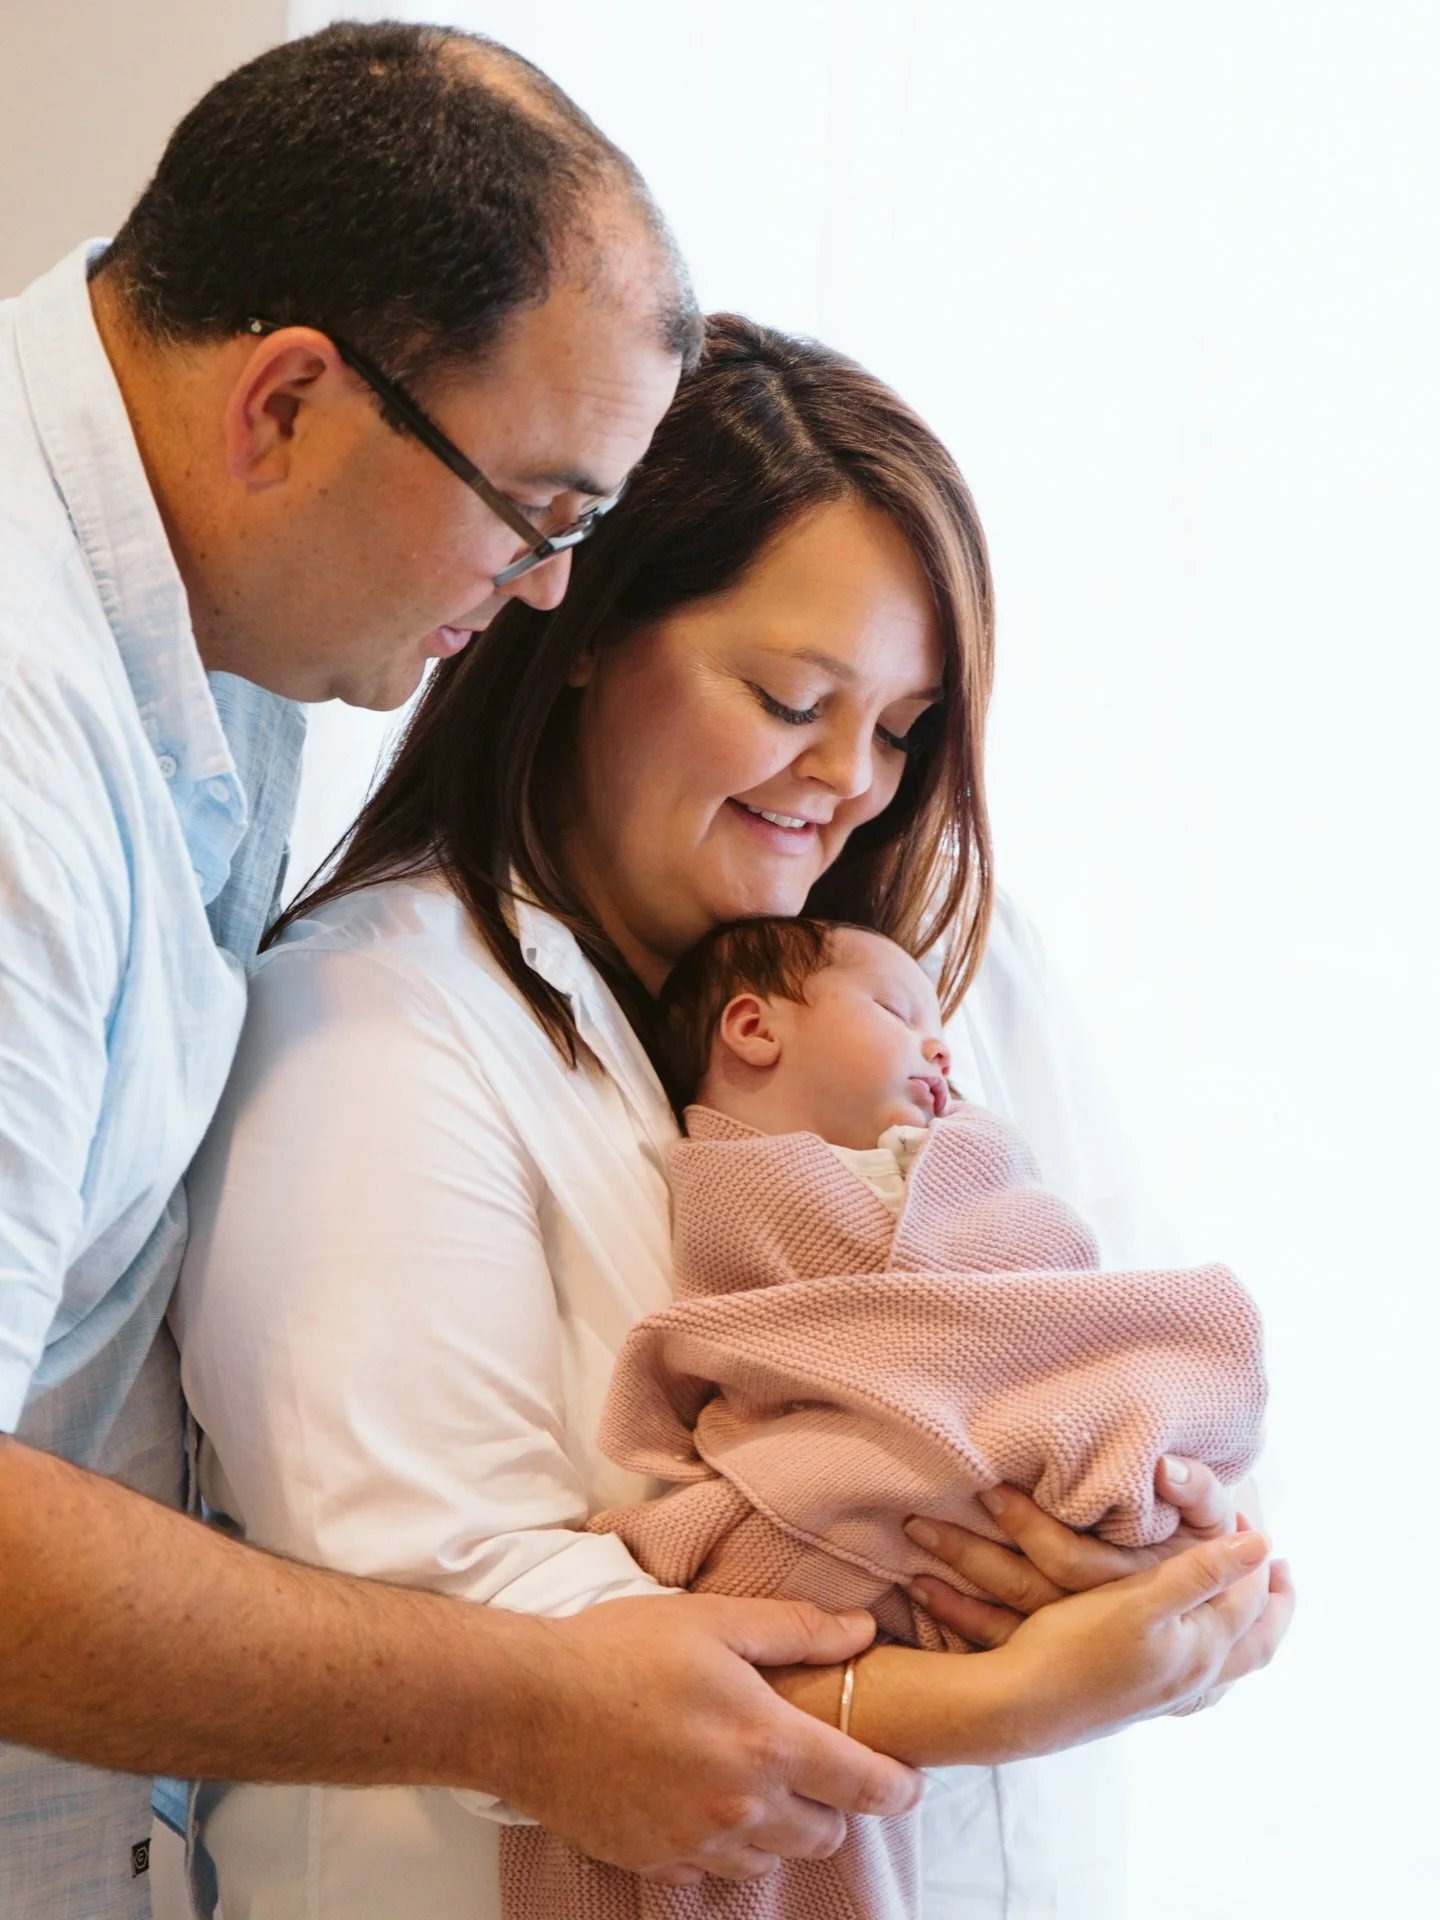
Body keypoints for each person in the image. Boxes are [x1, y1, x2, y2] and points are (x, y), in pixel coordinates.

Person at [175, 314, 1293, 1918]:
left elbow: (1160, 1351)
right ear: (571, 637)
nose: (852, 781)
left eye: (904, 730)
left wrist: (1172, 1560)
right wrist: (1019, 1689)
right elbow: (476, 1635)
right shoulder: (369, 1028)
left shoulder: (962, 971)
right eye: (789, 698)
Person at [0, 23, 919, 1918]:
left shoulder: (213, 605)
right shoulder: (38, 743)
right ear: (286, 406)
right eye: (545, 514)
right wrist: (525, 1707)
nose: (551, 594)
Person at [500, 912, 1272, 1918]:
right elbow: (787, 1324)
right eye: (899, 1013)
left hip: (998, 1465)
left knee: (1191, 1341)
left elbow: (1051, 1291)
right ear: (753, 1030)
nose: (940, 1044)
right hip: (833, 1494)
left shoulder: (968, 1160)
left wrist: (1213, 1574)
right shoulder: (738, 1176)